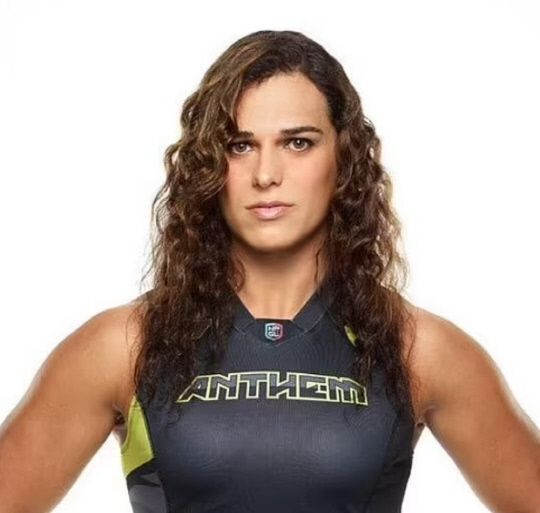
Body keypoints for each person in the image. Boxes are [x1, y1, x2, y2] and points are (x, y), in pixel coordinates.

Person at [0, 29, 539, 513]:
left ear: (344, 158)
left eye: (298, 143)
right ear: (209, 166)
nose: (266, 174)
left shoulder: (418, 349)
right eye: (240, 146)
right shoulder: (124, 346)